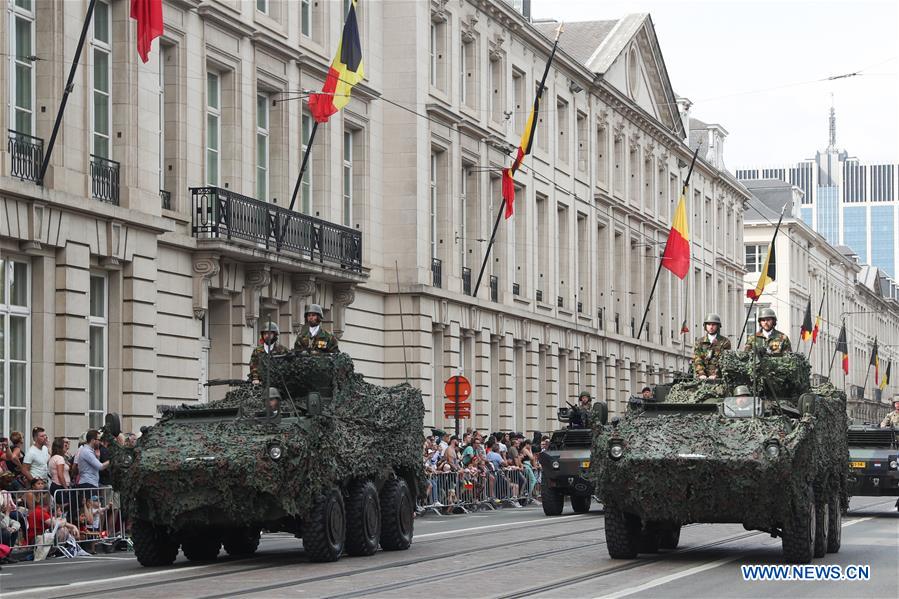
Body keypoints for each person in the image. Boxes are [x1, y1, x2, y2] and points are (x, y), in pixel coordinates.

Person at [693, 313, 732, 379]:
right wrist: (701, 373)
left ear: (718, 326)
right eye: (708, 324)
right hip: (702, 378)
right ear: (705, 326)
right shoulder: (700, 342)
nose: (711, 327)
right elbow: (697, 359)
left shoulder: (725, 342)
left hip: (719, 378)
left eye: (713, 324)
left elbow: (725, 361)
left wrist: (716, 374)